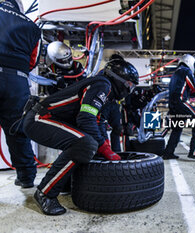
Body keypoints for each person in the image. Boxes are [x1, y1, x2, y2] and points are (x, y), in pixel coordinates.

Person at [23, 58, 139, 215]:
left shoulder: (106, 92)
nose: (129, 91)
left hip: (50, 119)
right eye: (130, 86)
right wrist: (104, 148)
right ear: (120, 80)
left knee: (88, 145)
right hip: (40, 118)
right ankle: (45, 193)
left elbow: (98, 123)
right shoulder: (102, 84)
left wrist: (106, 150)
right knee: (85, 144)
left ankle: (63, 183)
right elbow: (86, 118)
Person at [0, 0, 41, 188]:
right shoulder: (32, 27)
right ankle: (26, 177)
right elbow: (33, 61)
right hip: (16, 81)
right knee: (17, 128)